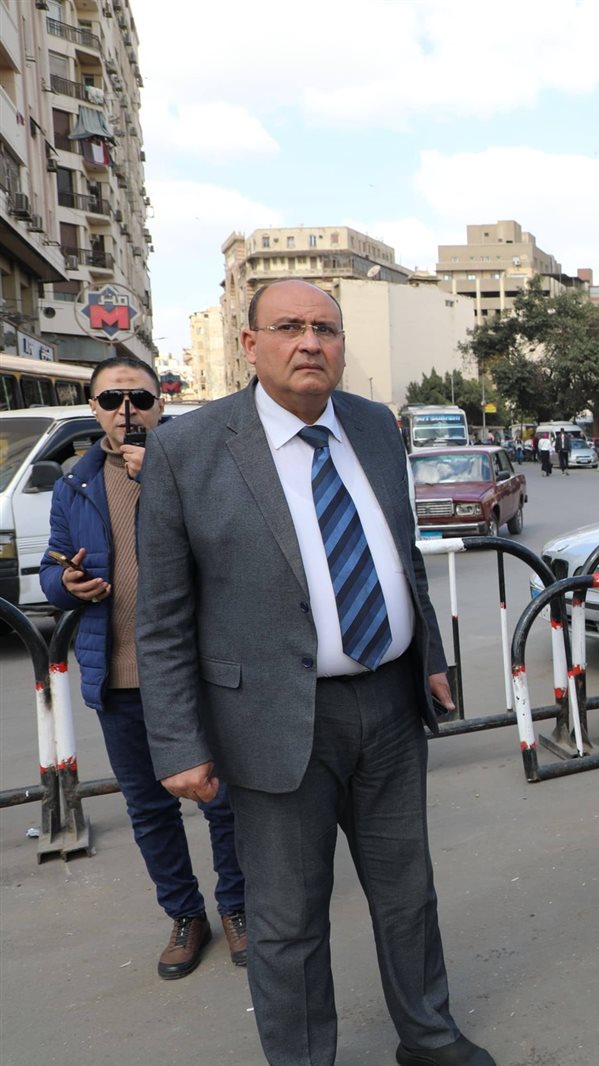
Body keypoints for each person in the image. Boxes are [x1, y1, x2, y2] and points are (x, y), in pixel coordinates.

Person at [136, 280, 493, 1066]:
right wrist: (178, 743)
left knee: (407, 893)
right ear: (249, 344)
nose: (310, 343)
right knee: (288, 918)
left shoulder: (372, 425)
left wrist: (429, 655)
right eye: (289, 326)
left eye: (326, 328)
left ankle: (429, 1036)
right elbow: (161, 617)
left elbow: (399, 554)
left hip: (390, 706)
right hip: (271, 720)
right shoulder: (187, 449)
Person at [40, 355, 247, 980]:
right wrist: (67, 584)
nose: (125, 411)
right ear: (93, 408)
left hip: (198, 671)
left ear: (161, 403)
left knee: (222, 801)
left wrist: (160, 477)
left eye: (139, 398)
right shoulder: (74, 484)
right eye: (110, 400)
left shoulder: (201, 464)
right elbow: (51, 566)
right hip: (120, 674)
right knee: (150, 809)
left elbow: (236, 547)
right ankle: (184, 915)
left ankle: (239, 907)